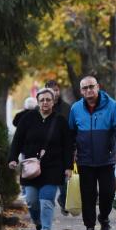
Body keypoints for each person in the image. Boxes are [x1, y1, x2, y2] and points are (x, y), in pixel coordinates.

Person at [8, 88, 73, 230]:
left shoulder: (60, 121)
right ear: (37, 102)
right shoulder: (27, 118)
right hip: (31, 168)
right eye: (42, 100)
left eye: (48, 100)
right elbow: (17, 140)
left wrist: (68, 167)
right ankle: (38, 223)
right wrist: (13, 158)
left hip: (53, 168)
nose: (45, 102)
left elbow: (68, 146)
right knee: (31, 201)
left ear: (53, 102)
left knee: (46, 201)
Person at [69, 76, 116, 230]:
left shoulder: (112, 106)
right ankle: (89, 229)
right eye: (85, 88)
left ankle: (104, 217)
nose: (88, 90)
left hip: (106, 159)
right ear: (81, 91)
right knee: (88, 196)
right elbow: (71, 134)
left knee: (108, 194)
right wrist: (71, 152)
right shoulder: (76, 109)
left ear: (98, 87)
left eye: (91, 87)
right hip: (84, 160)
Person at [44, 80, 72, 216]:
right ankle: (47, 209)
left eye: (56, 90)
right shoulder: (42, 107)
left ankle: (63, 199)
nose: (55, 93)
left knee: (65, 182)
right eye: (51, 90)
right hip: (45, 152)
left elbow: (73, 129)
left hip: (63, 151)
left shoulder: (67, 108)